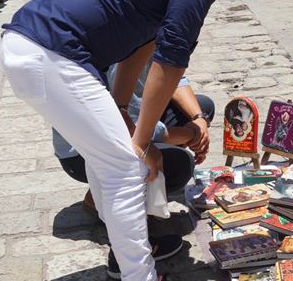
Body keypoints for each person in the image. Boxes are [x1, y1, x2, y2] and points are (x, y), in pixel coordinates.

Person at [0, 0, 293, 281]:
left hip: (44, 48)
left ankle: (128, 256)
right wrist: (141, 143)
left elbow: (141, 48)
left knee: (112, 161)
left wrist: (126, 116)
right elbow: (169, 64)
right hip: (51, 51)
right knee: (126, 166)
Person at [57, 63, 214, 220]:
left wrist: (199, 118)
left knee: (202, 108)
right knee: (179, 164)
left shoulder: (154, 49)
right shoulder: (126, 57)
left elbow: (173, 76)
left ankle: (128, 183)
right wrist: (192, 134)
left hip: (125, 124)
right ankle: (107, 194)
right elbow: (131, 126)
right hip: (82, 153)